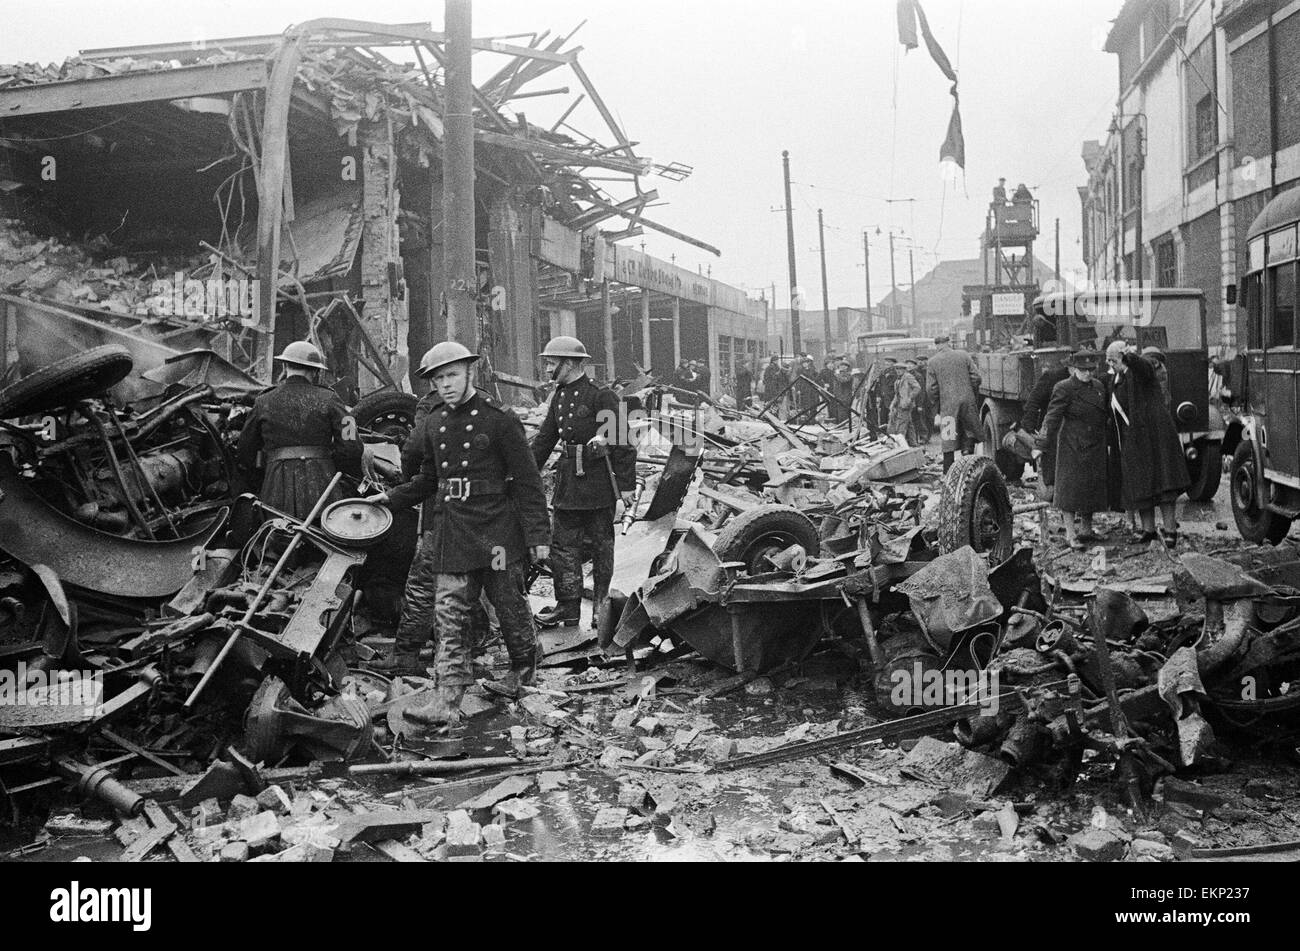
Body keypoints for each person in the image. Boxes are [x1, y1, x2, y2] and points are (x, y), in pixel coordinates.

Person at [370, 342, 550, 724]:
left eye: (452, 375)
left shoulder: (499, 418)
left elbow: (528, 480)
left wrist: (538, 537)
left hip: (497, 532)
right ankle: (447, 698)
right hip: (454, 531)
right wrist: (392, 498)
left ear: (470, 372)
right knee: (448, 611)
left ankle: (523, 667)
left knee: (508, 600)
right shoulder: (435, 422)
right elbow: (427, 479)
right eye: (438, 379)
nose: (446, 385)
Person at [531, 336, 637, 630]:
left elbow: (622, 440)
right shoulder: (559, 397)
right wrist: (522, 473)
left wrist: (626, 486)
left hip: (598, 483)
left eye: (552, 362)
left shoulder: (601, 396)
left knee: (602, 546)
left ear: (569, 363)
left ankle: (601, 606)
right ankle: (568, 607)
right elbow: (544, 441)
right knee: (563, 548)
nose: (548, 368)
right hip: (568, 484)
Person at [236, 340, 362, 520]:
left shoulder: (263, 401)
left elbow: (244, 451)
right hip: (323, 486)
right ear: (316, 371)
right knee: (322, 534)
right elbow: (352, 447)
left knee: (277, 532)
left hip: (275, 487)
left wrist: (266, 474)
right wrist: (330, 466)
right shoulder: (330, 399)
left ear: (285, 366)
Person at [1106, 340, 1190, 547]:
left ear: (1124, 358)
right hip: (1134, 439)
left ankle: (1170, 531)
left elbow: (1144, 367)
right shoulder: (1117, 379)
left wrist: (1129, 356)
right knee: (1141, 485)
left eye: (1114, 360)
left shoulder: (1141, 370)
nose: (1111, 365)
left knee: (1164, 484)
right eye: (1108, 361)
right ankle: (1148, 530)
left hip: (1156, 436)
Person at [1041, 350, 1110, 550]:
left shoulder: (1098, 387)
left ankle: (1086, 529)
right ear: (1074, 369)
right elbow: (1052, 417)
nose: (1088, 373)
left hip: (1095, 444)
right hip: (1072, 445)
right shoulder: (1064, 388)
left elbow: (1103, 414)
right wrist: (1042, 443)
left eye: (1091, 370)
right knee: (1069, 491)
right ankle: (1070, 534)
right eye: (1083, 370)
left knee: (1091, 488)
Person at [925, 334, 983, 471]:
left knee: (948, 436)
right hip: (967, 401)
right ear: (948, 342)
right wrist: (969, 392)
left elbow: (931, 389)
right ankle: (968, 464)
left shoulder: (933, 362)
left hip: (948, 404)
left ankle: (948, 471)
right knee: (969, 430)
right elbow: (977, 377)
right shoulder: (963, 355)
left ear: (937, 345)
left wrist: (937, 402)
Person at [888, 360, 921, 445]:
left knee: (901, 425)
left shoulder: (908, 377)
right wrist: (893, 404)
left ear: (904, 369)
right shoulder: (898, 379)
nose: (898, 371)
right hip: (899, 404)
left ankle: (900, 444)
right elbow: (897, 394)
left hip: (906, 405)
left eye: (900, 369)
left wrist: (909, 398)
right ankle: (913, 443)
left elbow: (917, 388)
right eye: (897, 369)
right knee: (909, 424)